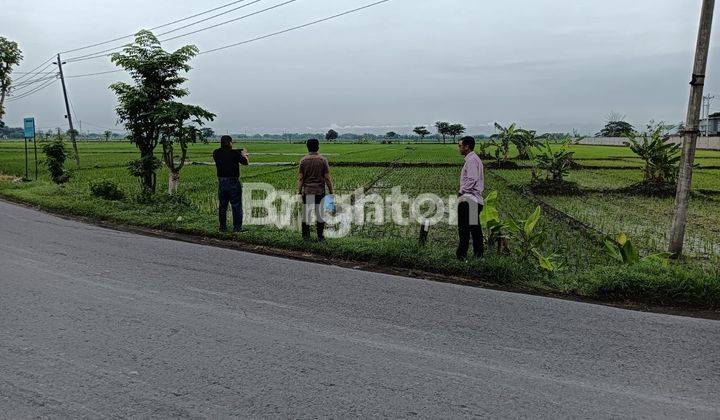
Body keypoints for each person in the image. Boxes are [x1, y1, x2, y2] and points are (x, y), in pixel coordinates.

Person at [297, 138, 334, 241]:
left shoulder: (303, 160)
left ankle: (306, 237)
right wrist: (331, 192)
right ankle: (320, 237)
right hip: (319, 192)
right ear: (318, 146)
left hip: (307, 192)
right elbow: (327, 178)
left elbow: (301, 178)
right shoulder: (323, 160)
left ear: (307, 147)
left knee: (307, 215)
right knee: (320, 216)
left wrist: (299, 192)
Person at [213, 135, 249, 232]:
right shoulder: (234, 153)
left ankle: (222, 227)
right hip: (233, 181)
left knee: (222, 206)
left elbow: (226, 153)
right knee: (236, 205)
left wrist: (235, 151)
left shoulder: (216, 152)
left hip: (221, 181)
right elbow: (245, 162)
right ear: (229, 143)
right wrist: (245, 154)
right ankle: (237, 228)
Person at [457, 136, 484, 260]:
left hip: (468, 199)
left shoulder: (471, 160)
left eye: (460, 146)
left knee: (464, 229)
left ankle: (461, 256)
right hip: (474, 199)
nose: (459, 148)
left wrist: (462, 191)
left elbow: (472, 179)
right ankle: (478, 255)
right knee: (474, 228)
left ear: (467, 146)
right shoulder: (474, 158)